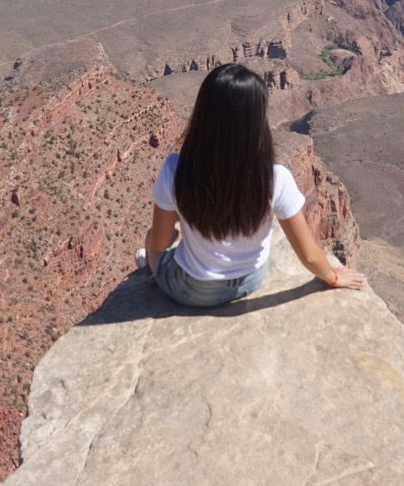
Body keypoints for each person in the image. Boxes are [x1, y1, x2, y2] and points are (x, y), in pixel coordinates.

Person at [141, 62, 368, 307]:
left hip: (191, 290)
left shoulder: (175, 170)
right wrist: (333, 276)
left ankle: (148, 268)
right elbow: (310, 255)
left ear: (203, 114)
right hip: (250, 280)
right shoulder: (275, 178)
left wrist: (174, 233)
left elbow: (161, 242)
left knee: (151, 240)